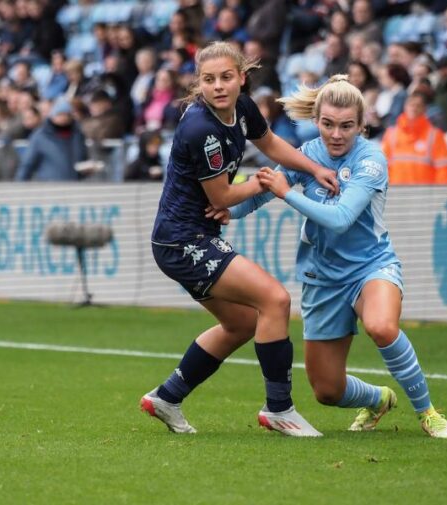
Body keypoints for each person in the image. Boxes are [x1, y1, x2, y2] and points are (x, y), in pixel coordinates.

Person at [229, 75, 447, 439]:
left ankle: (428, 412)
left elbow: (340, 219)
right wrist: (222, 210)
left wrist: (288, 192)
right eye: (328, 124)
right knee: (327, 391)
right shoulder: (307, 154)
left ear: (362, 124)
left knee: (382, 326)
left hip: (372, 266)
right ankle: (378, 399)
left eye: (347, 126)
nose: (336, 134)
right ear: (316, 120)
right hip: (322, 278)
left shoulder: (371, 159)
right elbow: (258, 195)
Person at [139, 41, 339, 437]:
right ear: (199, 84)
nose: (218, 86)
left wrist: (314, 168)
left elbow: (271, 145)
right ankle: (279, 409)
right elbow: (223, 197)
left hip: (187, 238)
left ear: (241, 78)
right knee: (275, 299)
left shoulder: (243, 107)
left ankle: (167, 396)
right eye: (209, 80)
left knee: (244, 323)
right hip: (182, 240)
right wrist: (266, 182)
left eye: (226, 77)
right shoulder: (201, 129)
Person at [382, 91, 447, 185]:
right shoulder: (391, 134)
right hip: (397, 194)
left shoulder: (435, 135)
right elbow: (382, 167)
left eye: (418, 105)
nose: (414, 108)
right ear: (405, 107)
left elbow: (444, 168)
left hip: (425, 195)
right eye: (411, 104)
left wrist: (438, 194)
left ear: (424, 109)